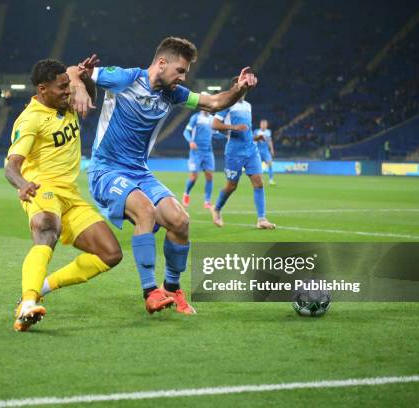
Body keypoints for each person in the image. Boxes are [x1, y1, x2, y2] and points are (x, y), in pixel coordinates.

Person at [69, 36, 258, 315]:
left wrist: (238, 88)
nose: (183, 77)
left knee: (180, 221)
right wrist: (79, 87)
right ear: (161, 63)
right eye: (180, 70)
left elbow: (215, 103)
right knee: (145, 211)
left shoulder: (174, 94)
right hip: (106, 169)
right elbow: (74, 70)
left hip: (140, 172)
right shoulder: (126, 78)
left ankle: (172, 288)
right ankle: (150, 292)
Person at [5, 59, 122, 332]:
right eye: (62, 88)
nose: (68, 92)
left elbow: (88, 96)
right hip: (42, 188)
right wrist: (22, 184)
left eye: (68, 86)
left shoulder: (65, 103)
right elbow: (11, 164)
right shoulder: (31, 119)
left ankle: (41, 288)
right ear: (42, 89)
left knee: (110, 254)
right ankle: (27, 304)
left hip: (71, 194)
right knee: (47, 229)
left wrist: (84, 80)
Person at [211, 90, 275, 230]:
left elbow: (246, 131)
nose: (243, 90)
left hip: (251, 150)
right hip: (234, 152)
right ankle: (216, 208)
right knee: (231, 186)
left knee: (258, 183)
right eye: (241, 86)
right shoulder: (227, 105)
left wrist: (255, 138)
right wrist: (233, 127)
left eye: (245, 88)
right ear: (235, 88)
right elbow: (215, 125)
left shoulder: (248, 105)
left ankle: (262, 219)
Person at [182, 103, 215, 209]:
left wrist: (228, 134)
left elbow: (216, 133)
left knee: (209, 176)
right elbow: (186, 131)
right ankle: (186, 193)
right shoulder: (195, 117)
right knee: (194, 177)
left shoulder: (212, 119)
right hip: (196, 152)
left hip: (208, 152)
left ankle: (207, 201)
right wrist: (190, 141)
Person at [254, 119, 275, 185]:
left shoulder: (268, 132)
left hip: (266, 151)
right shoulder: (256, 131)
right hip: (258, 151)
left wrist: (272, 149)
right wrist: (258, 138)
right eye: (263, 124)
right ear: (260, 125)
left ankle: (271, 180)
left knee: (270, 164)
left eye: (265, 124)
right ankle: (260, 180)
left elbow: (269, 141)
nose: (264, 125)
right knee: (258, 166)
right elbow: (253, 140)